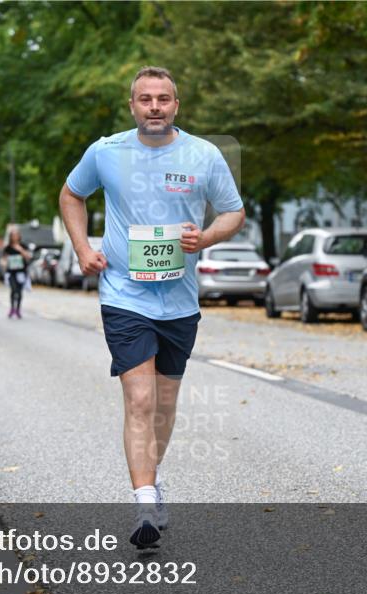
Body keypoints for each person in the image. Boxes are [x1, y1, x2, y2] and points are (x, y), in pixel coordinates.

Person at [59, 66, 245, 548]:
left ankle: (153, 480)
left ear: (176, 105)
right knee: (139, 400)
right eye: (146, 99)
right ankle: (144, 502)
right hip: (124, 294)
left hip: (179, 300)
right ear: (132, 106)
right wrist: (83, 249)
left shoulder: (204, 155)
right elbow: (71, 194)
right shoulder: (106, 151)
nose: (155, 106)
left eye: (164, 98)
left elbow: (234, 211)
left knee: (163, 405)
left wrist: (203, 237)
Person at [2, 226, 32, 319]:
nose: (15, 237)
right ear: (10, 237)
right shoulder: (8, 248)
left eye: (16, 235)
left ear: (19, 236)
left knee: (19, 291)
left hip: (21, 272)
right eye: (13, 235)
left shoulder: (23, 246)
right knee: (13, 289)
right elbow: (4, 259)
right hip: (11, 272)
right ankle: (12, 308)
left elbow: (28, 257)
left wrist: (20, 250)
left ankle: (18, 309)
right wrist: (4, 263)